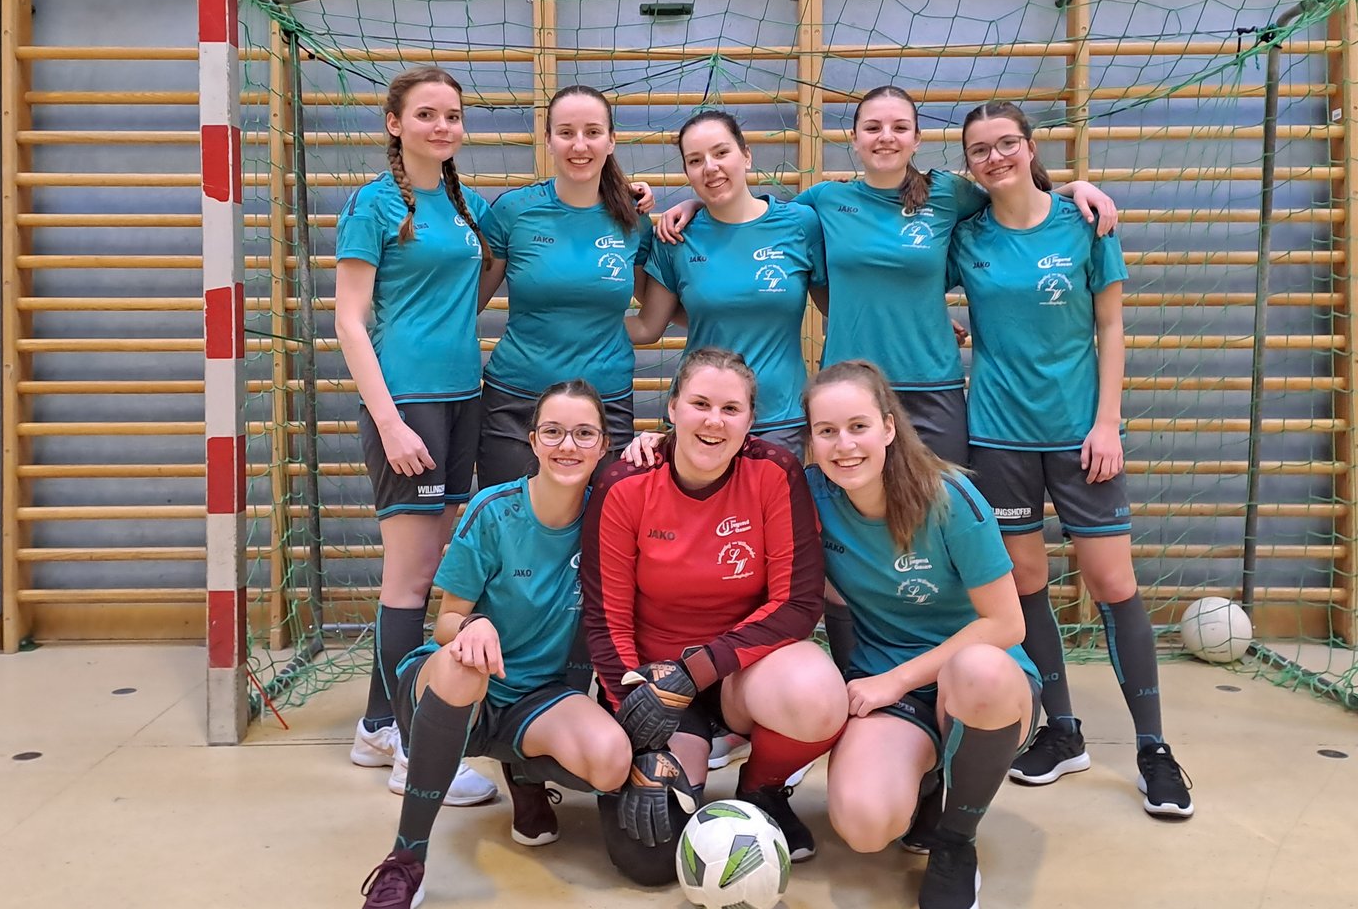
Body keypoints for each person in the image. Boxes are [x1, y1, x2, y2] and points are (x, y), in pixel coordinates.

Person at [656, 85, 1116, 466]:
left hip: (932, 384)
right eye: (873, 128)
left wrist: (1072, 190)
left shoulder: (947, 193)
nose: (885, 137)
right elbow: (752, 222)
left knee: (940, 514)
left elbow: (1013, 202)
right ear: (854, 139)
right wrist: (696, 205)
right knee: (852, 520)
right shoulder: (824, 202)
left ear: (917, 139)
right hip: (849, 386)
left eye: (899, 127)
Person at [949, 100, 1193, 818]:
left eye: (1006, 143)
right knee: (1025, 580)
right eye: (980, 150)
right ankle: (1062, 731)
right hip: (997, 434)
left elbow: (1111, 325)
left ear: (1030, 147)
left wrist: (1108, 422)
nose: (995, 157)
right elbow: (900, 280)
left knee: (1112, 581)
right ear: (969, 164)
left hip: (1081, 433)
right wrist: (948, 326)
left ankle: (1154, 749)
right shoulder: (966, 235)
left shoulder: (1084, 222)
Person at [358, 380, 633, 909]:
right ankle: (406, 860)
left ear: (603, 445)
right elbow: (446, 621)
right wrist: (473, 626)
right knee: (464, 668)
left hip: (538, 698)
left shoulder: (610, 517)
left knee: (611, 760)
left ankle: (523, 772)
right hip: (457, 683)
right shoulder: (494, 510)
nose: (568, 445)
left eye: (584, 434)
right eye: (553, 432)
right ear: (533, 441)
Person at [582, 347, 848, 885]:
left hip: (739, 674)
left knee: (818, 695)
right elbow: (606, 619)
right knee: (651, 861)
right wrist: (637, 719)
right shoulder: (625, 483)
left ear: (750, 422)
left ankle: (762, 790)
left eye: (731, 409)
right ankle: (681, 754)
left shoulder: (773, 472)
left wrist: (698, 669)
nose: (713, 421)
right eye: (700, 403)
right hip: (655, 687)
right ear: (673, 407)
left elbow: (798, 604)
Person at [805, 359, 1041, 909]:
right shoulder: (813, 494)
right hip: (892, 687)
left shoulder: (950, 498)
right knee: (864, 826)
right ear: (812, 440)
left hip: (985, 688)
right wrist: (657, 444)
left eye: (858, 426)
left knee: (977, 670)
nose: (844, 445)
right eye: (827, 431)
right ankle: (930, 777)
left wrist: (895, 680)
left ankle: (955, 841)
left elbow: (1006, 623)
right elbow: (730, 470)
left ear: (888, 427)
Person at [337, 66, 496, 805]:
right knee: (409, 576)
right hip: (409, 403)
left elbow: (484, 276)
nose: (442, 126)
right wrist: (390, 419)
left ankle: (376, 725)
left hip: (464, 398)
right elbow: (349, 320)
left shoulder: (465, 206)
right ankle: (410, 746)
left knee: (432, 569)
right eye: (426, 114)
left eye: (452, 115)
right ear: (395, 123)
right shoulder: (373, 204)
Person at [475, 85, 656, 488]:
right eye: (566, 132)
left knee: (603, 525)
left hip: (604, 403)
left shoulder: (634, 219)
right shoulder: (514, 212)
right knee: (512, 521)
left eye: (592, 132)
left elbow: (659, 313)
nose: (579, 145)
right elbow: (468, 302)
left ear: (611, 140)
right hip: (517, 402)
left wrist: (691, 207)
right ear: (548, 140)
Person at [626, 111, 826, 459]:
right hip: (702, 420)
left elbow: (840, 307)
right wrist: (567, 323)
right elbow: (648, 326)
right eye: (695, 160)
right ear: (687, 171)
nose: (710, 167)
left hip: (778, 421)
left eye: (721, 152)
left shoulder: (801, 224)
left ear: (746, 155)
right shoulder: (676, 236)